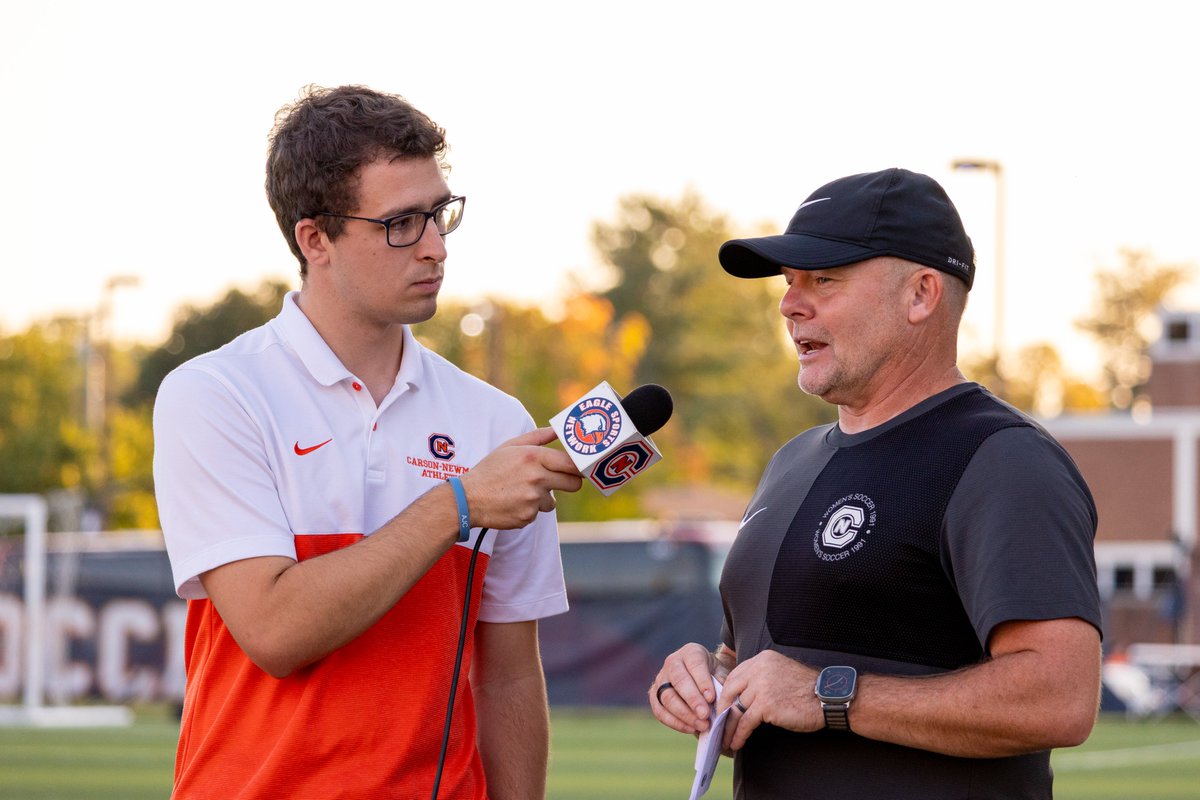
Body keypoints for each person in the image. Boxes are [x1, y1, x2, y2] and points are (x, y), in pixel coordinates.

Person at [153, 85, 582, 800]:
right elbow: (276, 631)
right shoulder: (216, 393)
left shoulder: (495, 419)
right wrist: (459, 502)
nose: (437, 247)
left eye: (440, 214)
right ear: (314, 238)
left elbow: (506, 673)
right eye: (401, 224)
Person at [649, 167, 1102, 799]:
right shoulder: (791, 461)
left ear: (920, 295)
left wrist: (831, 694)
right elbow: (762, 661)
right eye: (788, 283)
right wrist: (706, 679)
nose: (789, 304)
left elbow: (1061, 698)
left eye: (824, 280)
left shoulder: (1001, 458)